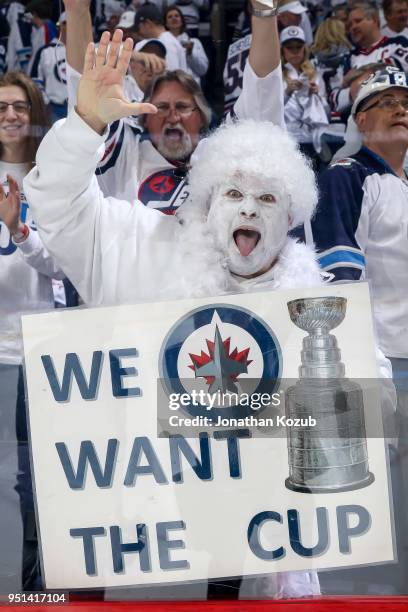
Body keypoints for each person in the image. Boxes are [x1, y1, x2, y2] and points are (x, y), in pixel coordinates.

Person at [23, 31, 322, 599]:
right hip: (119, 524)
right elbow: (57, 207)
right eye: (233, 194)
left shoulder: (302, 293)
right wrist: (86, 122)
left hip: (234, 544)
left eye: (266, 200)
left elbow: (360, 387)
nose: (248, 210)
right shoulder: (136, 239)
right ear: (206, 200)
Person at [293, 65, 408, 595]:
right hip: (384, 362)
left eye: (404, 100)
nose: (400, 108)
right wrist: (370, 371)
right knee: (377, 506)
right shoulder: (345, 177)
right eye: (385, 102)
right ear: (361, 119)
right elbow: (339, 284)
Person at [64, 0, 285, 212]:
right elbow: (86, 97)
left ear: (201, 118)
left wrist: (264, 8)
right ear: (145, 119)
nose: (172, 117)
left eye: (182, 107)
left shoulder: (220, 153)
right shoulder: (125, 157)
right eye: (160, 107)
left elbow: (262, 93)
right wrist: (76, 11)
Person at [0, 71, 64, 591]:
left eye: (20, 106)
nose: (11, 115)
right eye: (2, 106)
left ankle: (35, 588)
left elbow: (67, 265)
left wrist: (20, 231)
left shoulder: (53, 180)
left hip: (39, 349)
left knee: (32, 479)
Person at [330, 2, 408, 114]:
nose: (353, 27)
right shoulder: (348, 59)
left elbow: (399, 74)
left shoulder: (398, 44)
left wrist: (358, 77)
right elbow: (333, 99)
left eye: (358, 21)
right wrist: (351, 93)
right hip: (359, 120)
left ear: (375, 20)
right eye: (350, 25)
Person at [281, 25, 329, 166]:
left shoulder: (316, 74)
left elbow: (327, 113)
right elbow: (270, 110)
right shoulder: (276, 76)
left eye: (298, 47)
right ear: (282, 50)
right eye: (290, 47)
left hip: (312, 141)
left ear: (305, 49)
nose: (295, 51)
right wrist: (287, 93)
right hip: (287, 141)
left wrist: (317, 97)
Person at [30, 11, 68, 122]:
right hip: (53, 110)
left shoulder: (86, 52)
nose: (70, 26)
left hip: (80, 111)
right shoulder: (45, 52)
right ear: (60, 25)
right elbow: (35, 81)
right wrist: (46, 104)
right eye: (66, 23)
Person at [134, 4, 188, 72]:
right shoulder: (167, 39)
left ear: (147, 23)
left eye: (138, 28)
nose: (138, 32)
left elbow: (171, 76)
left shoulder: (166, 42)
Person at [164, 5, 209, 84]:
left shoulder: (195, 42)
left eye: (176, 16)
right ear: (166, 24)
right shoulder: (162, 43)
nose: (174, 18)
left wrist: (190, 54)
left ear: (182, 21)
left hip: (192, 88)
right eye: (170, 17)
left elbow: (203, 70)